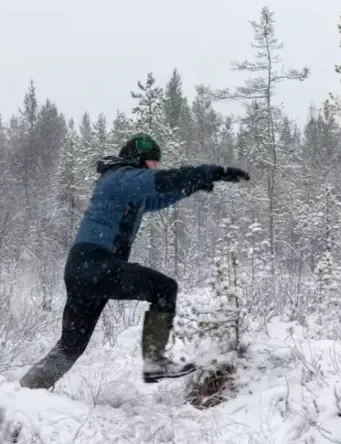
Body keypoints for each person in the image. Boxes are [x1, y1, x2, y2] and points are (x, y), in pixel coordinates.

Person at [19, 133, 250, 389]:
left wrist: (192, 186)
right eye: (152, 161)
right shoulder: (120, 178)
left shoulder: (128, 188)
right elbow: (162, 181)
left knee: (71, 346)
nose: (156, 166)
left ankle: (24, 389)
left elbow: (159, 197)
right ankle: (155, 362)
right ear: (138, 159)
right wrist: (211, 171)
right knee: (164, 289)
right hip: (94, 264)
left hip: (82, 270)